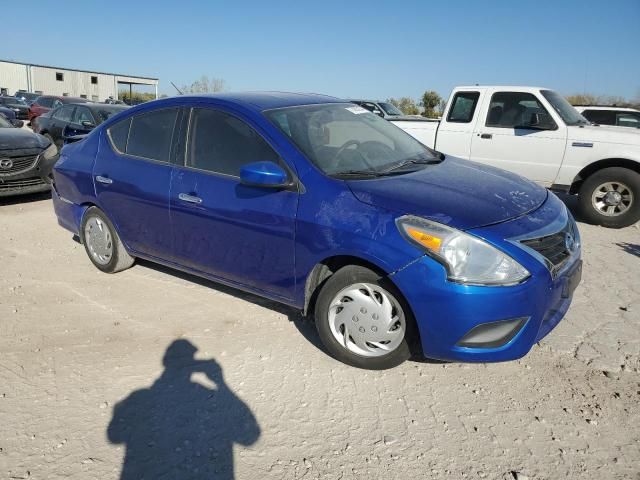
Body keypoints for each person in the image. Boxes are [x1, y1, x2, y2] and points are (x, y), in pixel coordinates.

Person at [107, 339, 260, 479]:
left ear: (165, 362)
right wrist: (221, 383)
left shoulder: (137, 397)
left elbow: (114, 436)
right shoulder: (207, 393)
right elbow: (250, 436)